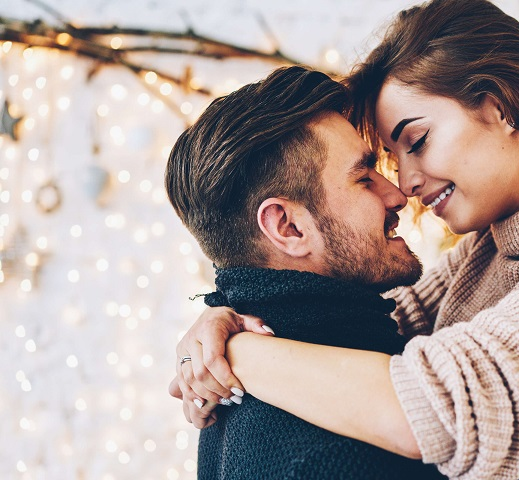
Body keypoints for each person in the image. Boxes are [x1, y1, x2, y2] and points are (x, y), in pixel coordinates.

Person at [171, 0, 519, 478]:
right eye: (386, 161)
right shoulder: (491, 251)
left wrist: (240, 354)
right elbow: (363, 332)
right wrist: (225, 315)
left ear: (499, 104)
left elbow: (439, 410)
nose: (405, 183)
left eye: (418, 140)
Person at [165, 65, 444, 479]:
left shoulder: (252, 372)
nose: (397, 194)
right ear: (289, 228)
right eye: (364, 178)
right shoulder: (334, 458)